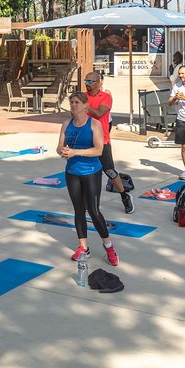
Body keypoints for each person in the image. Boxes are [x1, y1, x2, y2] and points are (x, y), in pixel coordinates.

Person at [58, 91, 119, 266]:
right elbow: (59, 146)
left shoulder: (94, 124)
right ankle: (83, 246)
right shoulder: (66, 124)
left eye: (77, 102)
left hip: (91, 171)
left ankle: (108, 246)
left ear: (86, 106)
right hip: (72, 172)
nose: (73, 106)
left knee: (93, 210)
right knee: (78, 210)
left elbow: (98, 150)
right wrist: (62, 151)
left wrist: (75, 152)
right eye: (71, 103)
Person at [84, 72, 133, 214]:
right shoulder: (82, 97)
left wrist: (84, 107)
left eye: (91, 81)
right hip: (85, 140)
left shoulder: (105, 97)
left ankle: (124, 195)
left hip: (102, 140)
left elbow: (99, 113)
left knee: (109, 171)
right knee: (88, 172)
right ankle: (91, 202)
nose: (88, 83)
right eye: (86, 80)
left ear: (99, 83)